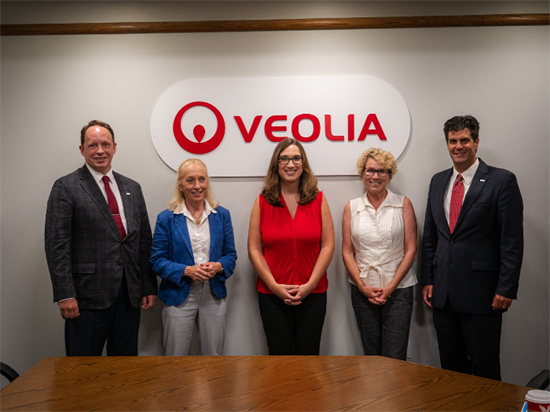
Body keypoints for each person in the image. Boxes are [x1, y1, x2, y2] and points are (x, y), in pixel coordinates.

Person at [421, 115, 523, 381]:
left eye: (464, 140)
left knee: (484, 370)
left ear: (476, 141)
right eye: (453, 141)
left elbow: (512, 240)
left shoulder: (501, 180)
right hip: (443, 294)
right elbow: (431, 236)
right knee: (451, 371)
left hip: (482, 295)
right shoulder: (437, 181)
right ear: (447, 144)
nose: (458, 146)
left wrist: (506, 288)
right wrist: (428, 280)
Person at [45, 120, 158, 356]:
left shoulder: (132, 187)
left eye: (105, 144)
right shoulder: (66, 187)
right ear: (82, 149)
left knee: (124, 368)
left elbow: (143, 241)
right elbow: (57, 246)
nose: (100, 151)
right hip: (86, 299)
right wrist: (65, 294)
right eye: (93, 145)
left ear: (114, 147)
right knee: (83, 369)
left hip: (129, 297)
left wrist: (148, 286)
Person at [248, 138, 335, 355]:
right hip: (272, 295)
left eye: (296, 158)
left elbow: (328, 246)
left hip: (313, 294)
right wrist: (274, 286)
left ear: (303, 163)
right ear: (276, 164)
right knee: (279, 358)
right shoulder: (262, 202)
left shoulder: (319, 199)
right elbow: (254, 249)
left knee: (309, 356)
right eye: (284, 159)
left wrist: (310, 285)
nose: (290, 164)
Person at [150, 159, 237, 356]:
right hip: (179, 293)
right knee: (175, 356)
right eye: (190, 180)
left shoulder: (221, 215)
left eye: (201, 179)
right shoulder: (167, 218)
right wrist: (187, 271)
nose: (197, 186)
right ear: (180, 185)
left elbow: (231, 255)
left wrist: (218, 266)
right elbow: (157, 260)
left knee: (213, 356)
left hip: (213, 293)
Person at [342, 148, 417, 360]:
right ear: (362, 174)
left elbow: (411, 250)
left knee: (395, 357)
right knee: (371, 357)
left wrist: (391, 287)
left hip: (399, 291)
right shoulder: (351, 207)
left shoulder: (403, 204)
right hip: (363, 291)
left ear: (390, 176)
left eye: (381, 171)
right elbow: (347, 251)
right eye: (370, 171)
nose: (375, 176)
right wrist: (362, 286)